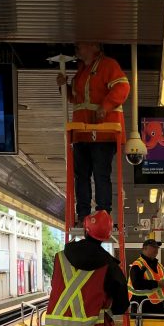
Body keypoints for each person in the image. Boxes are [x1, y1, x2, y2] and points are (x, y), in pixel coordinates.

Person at [57, 43, 130, 226]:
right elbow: (75, 99)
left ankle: (102, 215)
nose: (77, 47)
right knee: (81, 175)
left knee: (100, 173)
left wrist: (105, 107)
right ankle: (83, 215)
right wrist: (63, 87)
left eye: (81, 44)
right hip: (82, 133)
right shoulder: (82, 71)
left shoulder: (108, 65)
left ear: (94, 47)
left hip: (103, 131)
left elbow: (122, 88)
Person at [129, 238, 164, 322]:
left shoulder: (159, 265)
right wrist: (156, 284)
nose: (156, 248)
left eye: (157, 247)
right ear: (144, 249)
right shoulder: (137, 265)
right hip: (142, 305)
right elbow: (137, 284)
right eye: (152, 246)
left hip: (159, 306)